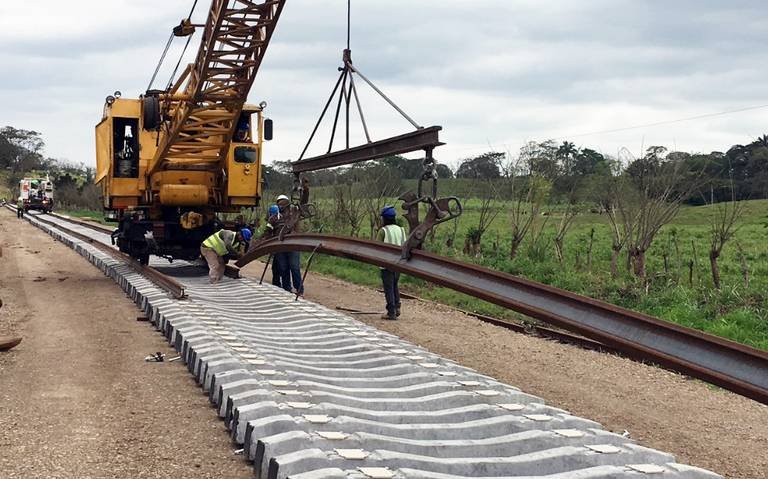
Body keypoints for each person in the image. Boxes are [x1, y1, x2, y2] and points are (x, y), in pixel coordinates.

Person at [377, 205, 406, 320]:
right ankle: (397, 306)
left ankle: (391, 312)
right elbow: (404, 245)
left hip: (386, 264)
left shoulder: (383, 231)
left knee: (388, 287)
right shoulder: (401, 230)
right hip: (398, 264)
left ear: (384, 218)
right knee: (394, 285)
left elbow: (377, 247)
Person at [276, 194, 304, 295]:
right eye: (279, 204)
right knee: (283, 268)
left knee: (294, 267)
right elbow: (269, 232)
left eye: (282, 204)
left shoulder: (294, 216)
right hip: (280, 247)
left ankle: (299, 289)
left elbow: (303, 201)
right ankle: (286, 288)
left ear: (287, 205)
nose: (280, 206)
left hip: (293, 245)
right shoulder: (275, 218)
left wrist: (305, 190)